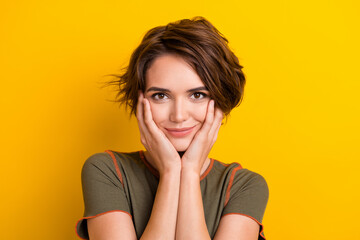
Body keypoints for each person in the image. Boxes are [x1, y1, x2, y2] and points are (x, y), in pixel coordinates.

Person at [76, 16, 269, 240]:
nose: (178, 116)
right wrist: (170, 172)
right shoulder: (107, 171)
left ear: (220, 101)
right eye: (161, 95)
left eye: (197, 95)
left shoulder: (243, 186)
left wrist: (188, 173)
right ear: (140, 102)